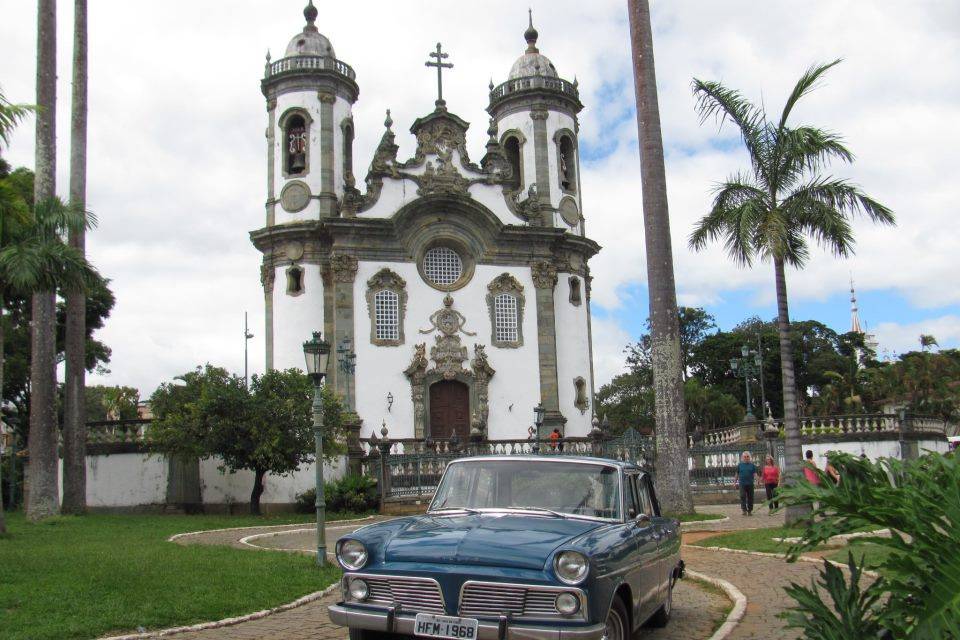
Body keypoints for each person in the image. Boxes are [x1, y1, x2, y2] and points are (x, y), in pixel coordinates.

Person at [734, 451, 759, 516]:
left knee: (750, 497)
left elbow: (755, 474)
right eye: (745, 457)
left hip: (750, 483)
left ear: (749, 457)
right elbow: (737, 474)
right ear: (742, 457)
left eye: (747, 456)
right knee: (742, 496)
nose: (746, 458)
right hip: (742, 483)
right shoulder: (740, 465)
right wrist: (735, 482)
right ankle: (744, 510)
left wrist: (757, 481)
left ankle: (750, 510)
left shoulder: (752, 465)